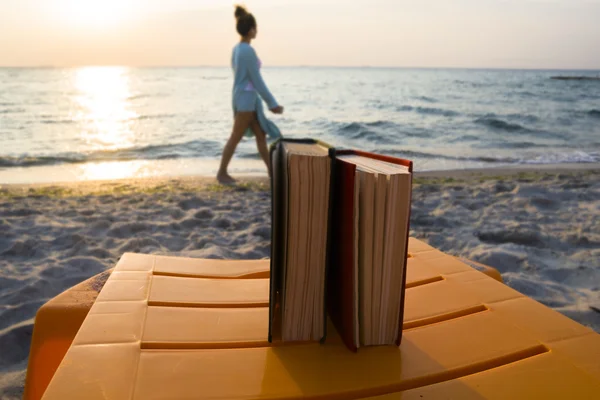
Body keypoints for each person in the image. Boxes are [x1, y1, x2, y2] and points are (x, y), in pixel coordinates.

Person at [217, 5, 284, 184]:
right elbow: (257, 80)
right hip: (246, 100)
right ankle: (221, 173)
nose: (257, 30)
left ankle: (272, 173)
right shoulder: (247, 50)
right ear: (250, 29)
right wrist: (272, 104)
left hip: (246, 98)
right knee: (236, 136)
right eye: (255, 27)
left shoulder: (237, 49)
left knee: (261, 135)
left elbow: (246, 78)